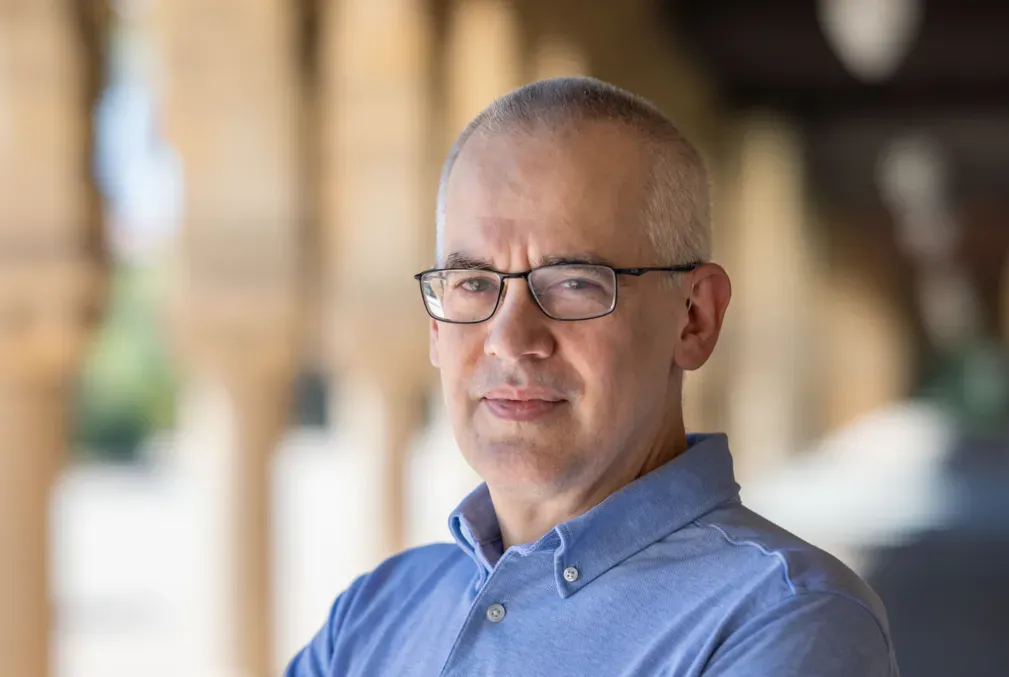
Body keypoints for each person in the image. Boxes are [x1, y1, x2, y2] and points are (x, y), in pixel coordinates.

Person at [286, 76, 898, 676]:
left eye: (574, 283)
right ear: (436, 329)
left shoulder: (787, 622)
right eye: (474, 284)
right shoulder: (372, 616)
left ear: (694, 319)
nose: (509, 340)